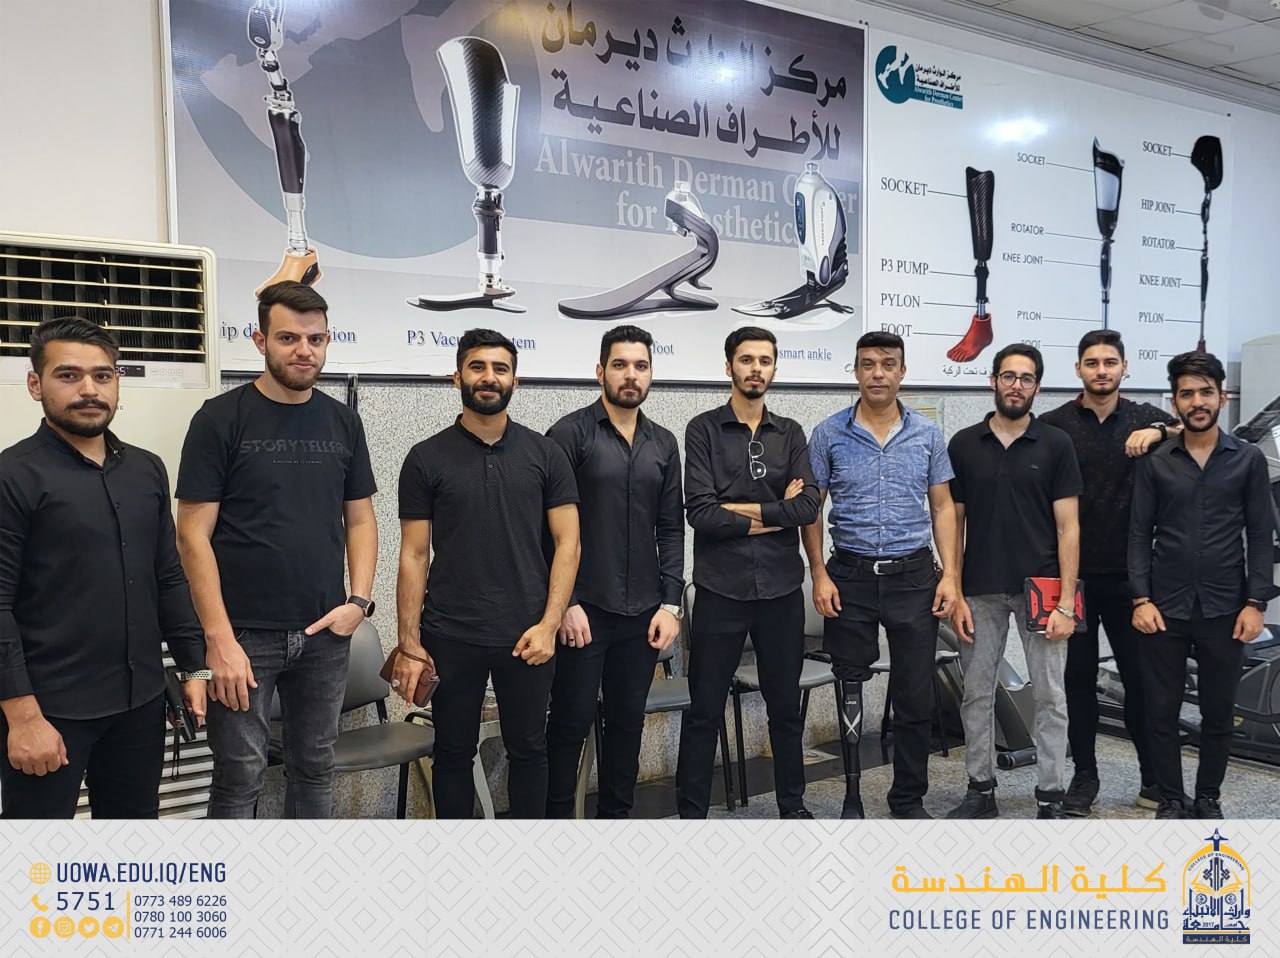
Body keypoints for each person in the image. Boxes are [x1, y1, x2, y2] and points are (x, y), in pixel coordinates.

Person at [176, 282, 378, 819]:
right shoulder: (219, 418)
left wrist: (358, 602)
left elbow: (361, 519)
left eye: (315, 339)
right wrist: (218, 640)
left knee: (315, 769)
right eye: (288, 338)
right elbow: (191, 535)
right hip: (242, 637)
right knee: (239, 776)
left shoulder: (343, 421)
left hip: (325, 634)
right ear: (260, 340)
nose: (303, 350)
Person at [0, 318, 206, 818]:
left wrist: (194, 667)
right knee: (36, 850)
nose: (89, 390)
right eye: (68, 375)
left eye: (103, 375)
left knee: (131, 838)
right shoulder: (13, 475)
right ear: (35, 384)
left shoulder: (146, 469)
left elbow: (168, 578)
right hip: (51, 709)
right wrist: (22, 716)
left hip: (140, 703)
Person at [393, 329, 580, 819]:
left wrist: (550, 624)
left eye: (500, 368)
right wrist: (409, 642)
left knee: (529, 749)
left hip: (527, 633)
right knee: (453, 752)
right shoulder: (425, 458)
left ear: (516, 380)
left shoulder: (546, 455)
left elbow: (569, 544)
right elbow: (413, 555)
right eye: (477, 367)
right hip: (451, 633)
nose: (489, 377)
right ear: (457, 377)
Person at [803, 331, 960, 819]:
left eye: (887, 364)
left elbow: (943, 507)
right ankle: (851, 795)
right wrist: (819, 574)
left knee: (914, 693)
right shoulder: (828, 433)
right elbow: (811, 510)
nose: (877, 373)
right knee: (849, 684)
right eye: (868, 364)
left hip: (913, 577)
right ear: (855, 371)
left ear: (902, 372)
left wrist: (951, 576)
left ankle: (907, 798)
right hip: (848, 576)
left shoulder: (926, 434)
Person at [678, 326, 820, 819]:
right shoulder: (703, 430)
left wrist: (737, 509)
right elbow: (701, 513)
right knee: (704, 710)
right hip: (721, 590)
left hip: (781, 590)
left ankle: (792, 807)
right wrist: (775, 510)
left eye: (764, 360)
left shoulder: (791, 433)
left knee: (785, 709)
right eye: (746, 360)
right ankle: (691, 814)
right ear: (729, 367)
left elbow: (807, 507)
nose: (755, 368)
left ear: (774, 368)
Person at [543, 326, 684, 819]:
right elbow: (546, 531)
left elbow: (671, 529)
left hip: (643, 613)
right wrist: (565, 604)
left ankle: (616, 826)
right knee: (569, 726)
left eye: (640, 366)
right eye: (620, 365)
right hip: (584, 612)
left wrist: (671, 605)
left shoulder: (664, 444)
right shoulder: (569, 435)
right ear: (600, 371)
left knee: (627, 725)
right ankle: (555, 828)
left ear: (651, 374)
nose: (630, 375)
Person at [1129, 351, 1276, 820]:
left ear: (1222, 397)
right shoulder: (1156, 462)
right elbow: (1138, 533)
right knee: (1160, 710)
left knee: (1218, 712)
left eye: (1206, 392)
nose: (1197, 401)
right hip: (1163, 606)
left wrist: (1256, 603)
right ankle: (1171, 798)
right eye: (1187, 393)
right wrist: (1140, 598)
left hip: (1226, 607)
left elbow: (1260, 535)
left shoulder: (1247, 460)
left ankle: (1208, 796)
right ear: (1174, 402)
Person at [1040, 329, 1181, 815]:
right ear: (1078, 369)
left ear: (1124, 368)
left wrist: (1160, 431)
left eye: (1110, 362)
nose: (1101, 371)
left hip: (1132, 579)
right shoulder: (1055, 425)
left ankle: (1152, 780)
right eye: (1092, 363)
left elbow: (1193, 426)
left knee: (1141, 682)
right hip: (1072, 579)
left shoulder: (1145, 418)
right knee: (1077, 682)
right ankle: (1085, 777)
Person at [946, 343, 1082, 820]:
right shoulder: (964, 444)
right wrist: (954, 588)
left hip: (1042, 592)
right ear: (993, 381)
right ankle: (980, 790)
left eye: (1026, 378)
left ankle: (1051, 795)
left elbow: (1069, 528)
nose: (1016, 385)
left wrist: (1067, 602)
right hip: (978, 590)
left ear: (1037, 387)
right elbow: (953, 522)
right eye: (1008, 376)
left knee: (1050, 696)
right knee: (977, 693)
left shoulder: (1056, 444)